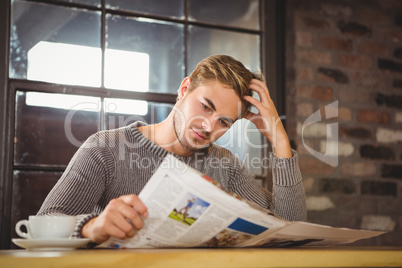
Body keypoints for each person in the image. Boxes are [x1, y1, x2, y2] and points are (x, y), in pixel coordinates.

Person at [38, 55, 306, 245]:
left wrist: (280, 142)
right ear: (184, 88)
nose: (208, 126)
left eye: (224, 122)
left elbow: (290, 229)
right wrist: (91, 226)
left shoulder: (226, 165)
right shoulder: (105, 149)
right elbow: (43, 224)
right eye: (206, 106)